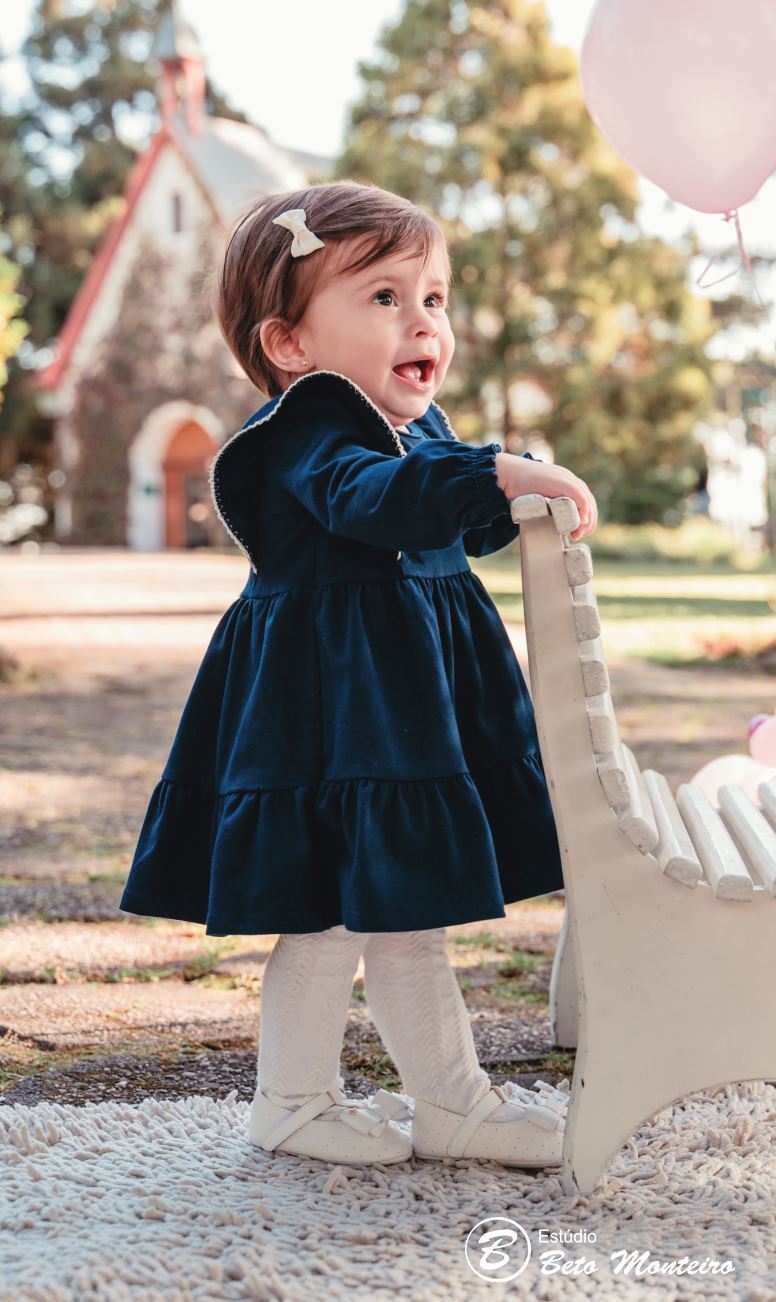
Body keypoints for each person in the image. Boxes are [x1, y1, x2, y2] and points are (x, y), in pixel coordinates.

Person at [119, 180, 597, 1170]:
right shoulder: (308, 431)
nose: (424, 320)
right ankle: (292, 1100)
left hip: (400, 718)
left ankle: (450, 1099)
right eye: (384, 297)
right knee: (332, 916)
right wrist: (498, 474)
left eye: (435, 296)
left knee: (409, 909)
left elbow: (449, 509)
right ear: (292, 344)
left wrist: (501, 487)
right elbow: (373, 500)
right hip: (326, 720)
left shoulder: (415, 424)